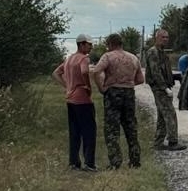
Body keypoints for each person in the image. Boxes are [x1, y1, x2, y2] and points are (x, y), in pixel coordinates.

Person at [90, 33, 145, 169]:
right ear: (121, 43)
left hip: (113, 92)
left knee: (112, 128)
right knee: (131, 127)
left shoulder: (108, 56)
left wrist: (102, 88)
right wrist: (127, 82)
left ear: (110, 44)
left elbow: (96, 71)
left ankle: (115, 162)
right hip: (129, 93)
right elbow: (140, 79)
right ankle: (135, 160)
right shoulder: (133, 58)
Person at [51, 34, 97, 172]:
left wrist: (67, 86)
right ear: (82, 44)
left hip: (70, 99)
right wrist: (88, 86)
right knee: (89, 131)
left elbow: (55, 73)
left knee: (74, 132)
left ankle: (73, 162)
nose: (91, 46)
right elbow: (84, 71)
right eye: (89, 44)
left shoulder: (69, 58)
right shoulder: (84, 58)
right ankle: (89, 163)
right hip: (82, 99)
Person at [144, 28, 186, 150]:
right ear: (156, 38)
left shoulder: (162, 52)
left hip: (163, 86)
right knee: (170, 113)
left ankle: (158, 142)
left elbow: (163, 70)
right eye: (163, 37)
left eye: (167, 37)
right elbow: (155, 72)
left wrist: (174, 77)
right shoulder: (153, 52)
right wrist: (164, 88)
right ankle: (173, 142)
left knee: (162, 115)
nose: (165, 40)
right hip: (159, 88)